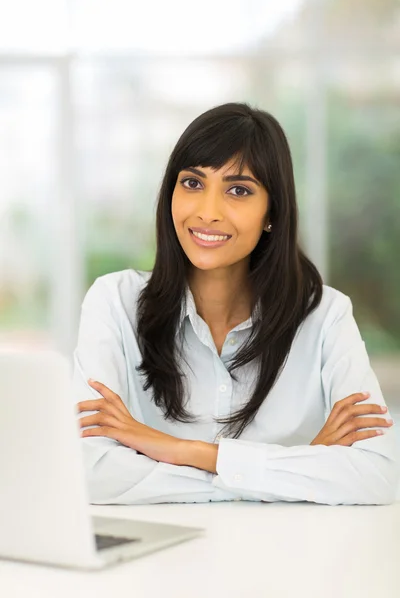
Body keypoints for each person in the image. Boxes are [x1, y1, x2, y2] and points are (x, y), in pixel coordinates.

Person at [74, 102, 399, 506]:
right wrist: (296, 468)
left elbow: (379, 475)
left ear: (272, 213)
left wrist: (185, 451)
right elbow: (90, 472)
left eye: (238, 190)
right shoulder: (115, 303)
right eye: (192, 183)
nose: (207, 212)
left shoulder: (325, 315)